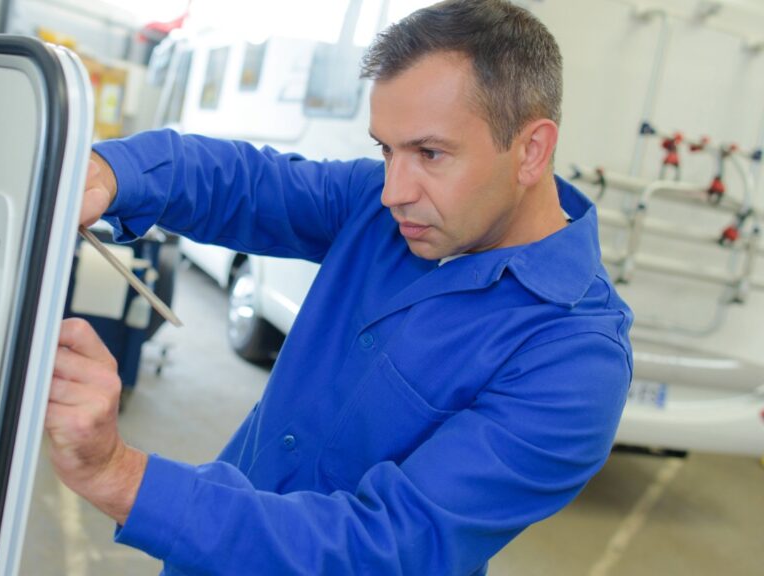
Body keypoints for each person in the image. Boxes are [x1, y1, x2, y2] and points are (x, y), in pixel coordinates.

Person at [43, 0, 634, 574]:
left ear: (531, 150)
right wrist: (111, 173)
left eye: (430, 153)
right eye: (386, 150)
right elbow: (247, 183)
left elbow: (381, 550)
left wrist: (120, 476)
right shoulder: (387, 207)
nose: (393, 191)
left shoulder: (574, 362)